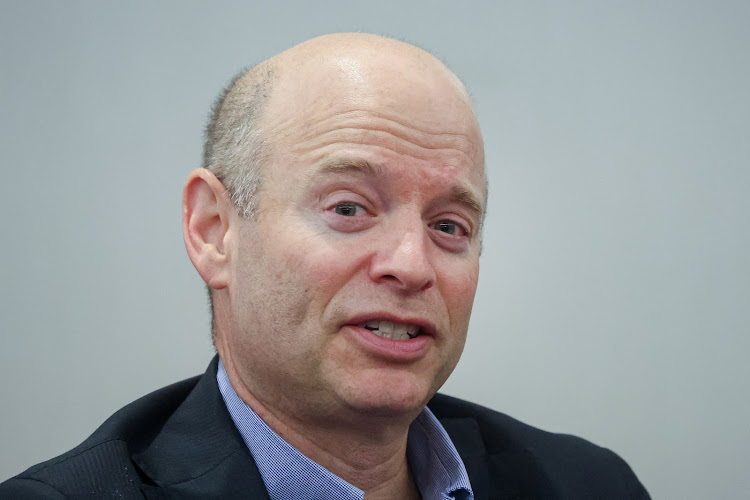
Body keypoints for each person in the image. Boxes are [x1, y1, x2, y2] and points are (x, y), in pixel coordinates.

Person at [0, 33, 650, 499]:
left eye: (449, 226)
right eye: (348, 208)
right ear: (214, 231)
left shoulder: (587, 484)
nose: (411, 265)